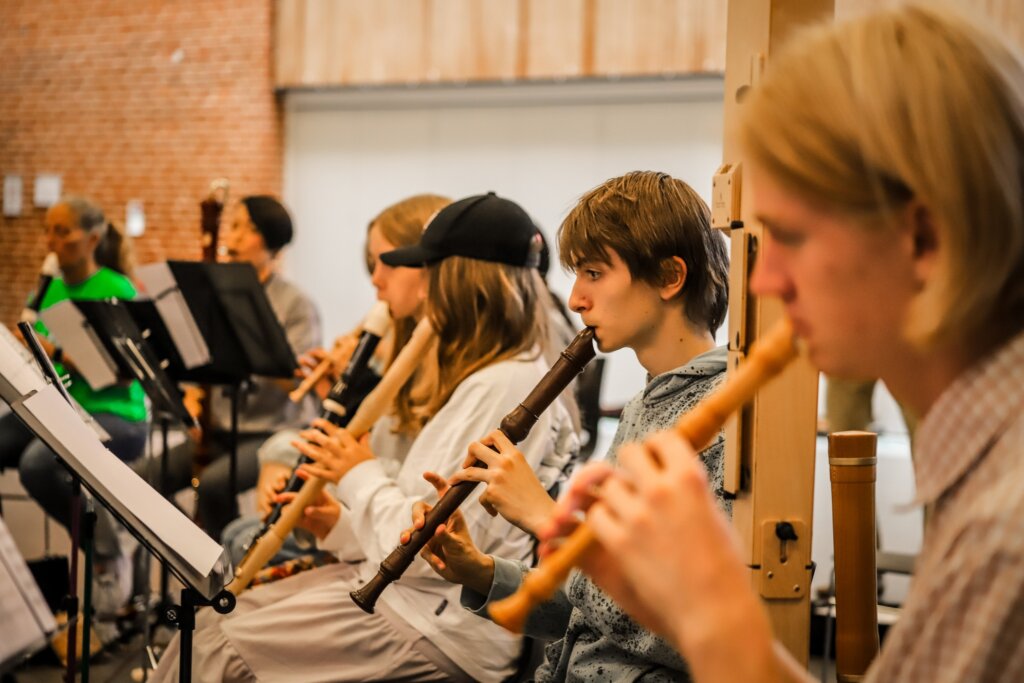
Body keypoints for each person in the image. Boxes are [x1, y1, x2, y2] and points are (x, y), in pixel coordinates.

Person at [550, 6, 1024, 683]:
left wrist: (711, 613)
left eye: (793, 237)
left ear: (921, 239)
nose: (766, 279)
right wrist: (695, 611)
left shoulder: (1006, 530)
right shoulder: (982, 471)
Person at [149, 192, 578, 683]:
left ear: (458, 282)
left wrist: (356, 472)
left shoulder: (503, 385)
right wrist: (335, 524)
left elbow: (432, 552)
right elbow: (415, 527)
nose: (422, 290)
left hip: (437, 627)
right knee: (208, 624)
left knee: (216, 649)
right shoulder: (486, 378)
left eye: (430, 273)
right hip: (403, 596)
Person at [408, 171, 731, 681]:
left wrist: (546, 518)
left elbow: (685, 632)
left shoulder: (723, 422)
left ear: (671, 277)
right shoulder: (646, 404)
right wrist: (483, 572)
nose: (576, 298)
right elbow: (592, 610)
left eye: (595, 273)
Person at [221, 193, 451, 568]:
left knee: (243, 536)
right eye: (372, 265)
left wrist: (321, 486)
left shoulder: (427, 357)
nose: (375, 281)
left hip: (384, 531)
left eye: (385, 263)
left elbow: (395, 468)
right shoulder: (396, 338)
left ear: (427, 267)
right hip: (364, 510)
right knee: (239, 533)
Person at [135, 195, 321, 543]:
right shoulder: (213, 295)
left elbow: (298, 383)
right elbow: (196, 361)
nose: (231, 237)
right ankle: (184, 548)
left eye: (244, 228)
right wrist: (190, 400)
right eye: (231, 226)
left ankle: (224, 574)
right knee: (144, 477)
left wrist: (256, 341)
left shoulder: (295, 303)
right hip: (218, 428)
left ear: (271, 240)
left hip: (272, 431)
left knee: (213, 486)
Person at [0, 196, 148, 620]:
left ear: (93, 239)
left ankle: (105, 551)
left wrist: (56, 352)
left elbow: (125, 374)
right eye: (48, 230)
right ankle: (7, 573)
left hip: (115, 413)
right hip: (57, 408)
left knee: (39, 464)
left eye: (62, 232)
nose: (51, 240)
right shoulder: (48, 289)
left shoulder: (116, 289)